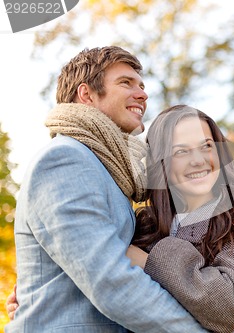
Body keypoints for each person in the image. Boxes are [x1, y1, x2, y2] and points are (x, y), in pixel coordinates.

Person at [5, 46, 207, 332]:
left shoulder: (108, 171)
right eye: (126, 83)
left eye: (142, 85)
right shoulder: (65, 159)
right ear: (86, 94)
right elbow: (110, 281)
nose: (142, 94)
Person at [125, 105, 234, 333]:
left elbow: (232, 304)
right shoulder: (143, 224)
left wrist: (146, 260)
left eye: (206, 147)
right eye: (181, 151)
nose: (198, 160)